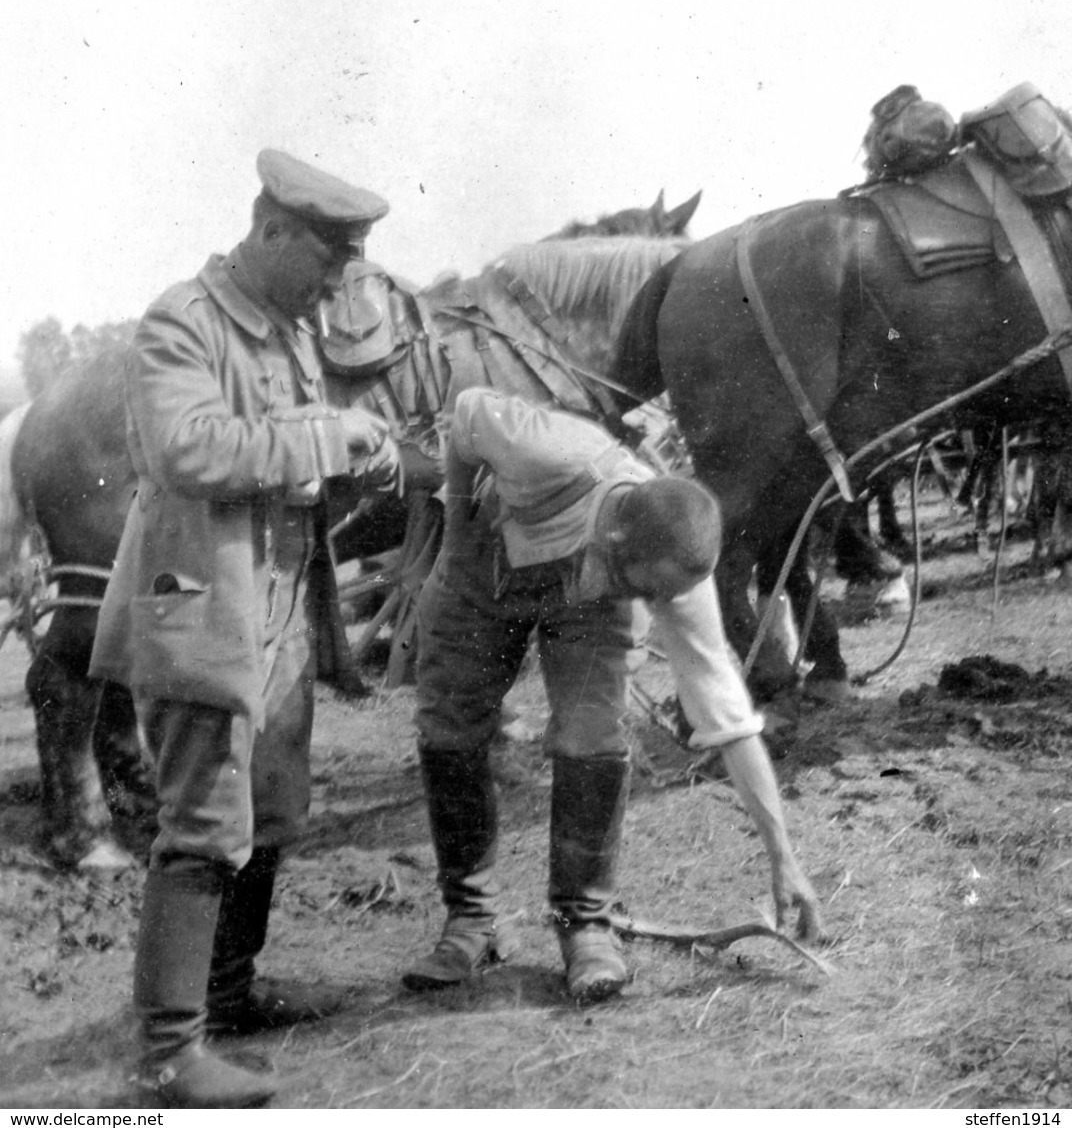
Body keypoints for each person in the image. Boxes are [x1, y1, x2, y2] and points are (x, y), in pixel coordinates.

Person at [89, 149, 401, 1108]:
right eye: (326, 261)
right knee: (201, 829)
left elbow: (286, 456)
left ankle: (227, 995)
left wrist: (360, 459)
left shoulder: (283, 327)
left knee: (267, 812)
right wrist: (321, 437)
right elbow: (188, 449)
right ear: (270, 232)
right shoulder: (182, 321)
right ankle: (167, 1055)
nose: (336, 286)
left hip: (276, 615)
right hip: (201, 614)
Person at [402, 388, 824, 1005]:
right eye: (642, 586)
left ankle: (586, 927)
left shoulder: (672, 574)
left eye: (658, 598)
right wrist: (459, 531)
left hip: (587, 606)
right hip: (487, 559)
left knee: (592, 736)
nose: (655, 604)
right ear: (619, 533)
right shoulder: (546, 455)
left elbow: (731, 720)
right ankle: (468, 920)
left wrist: (783, 856)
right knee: (450, 728)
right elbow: (466, 412)